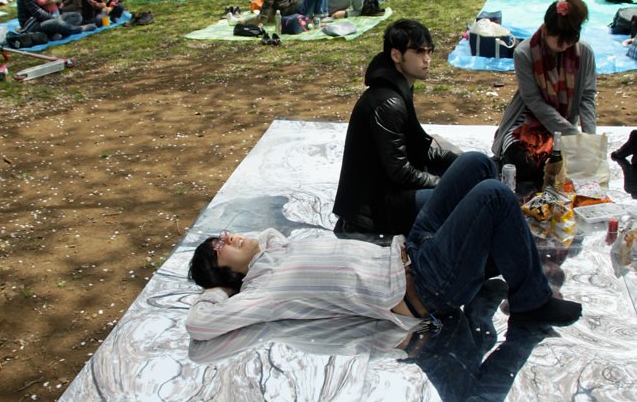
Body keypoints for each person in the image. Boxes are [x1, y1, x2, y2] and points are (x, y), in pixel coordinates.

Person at [186, 152, 583, 365]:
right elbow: (202, 324)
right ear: (226, 273)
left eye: (219, 236)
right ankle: (531, 301)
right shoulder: (264, 292)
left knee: (476, 164)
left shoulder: (278, 248)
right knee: (493, 195)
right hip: (428, 285)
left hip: (411, 247)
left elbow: (263, 241)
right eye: (218, 247)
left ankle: (491, 251)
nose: (226, 236)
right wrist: (218, 291)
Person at [333, 19, 458, 238]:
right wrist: (445, 183)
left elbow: (417, 147)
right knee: (461, 197)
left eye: (429, 52)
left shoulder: (398, 88)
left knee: (467, 169)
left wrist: (456, 162)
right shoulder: (387, 102)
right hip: (376, 212)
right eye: (419, 52)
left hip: (389, 191)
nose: (427, 59)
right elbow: (400, 172)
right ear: (396, 55)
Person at [492, 0, 596, 187]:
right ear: (546, 29)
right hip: (526, 125)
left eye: (569, 43)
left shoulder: (585, 52)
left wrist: (589, 141)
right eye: (559, 43)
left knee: (568, 168)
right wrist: (572, 134)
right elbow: (533, 101)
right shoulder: (524, 53)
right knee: (524, 166)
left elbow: (587, 97)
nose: (564, 48)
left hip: (562, 126)